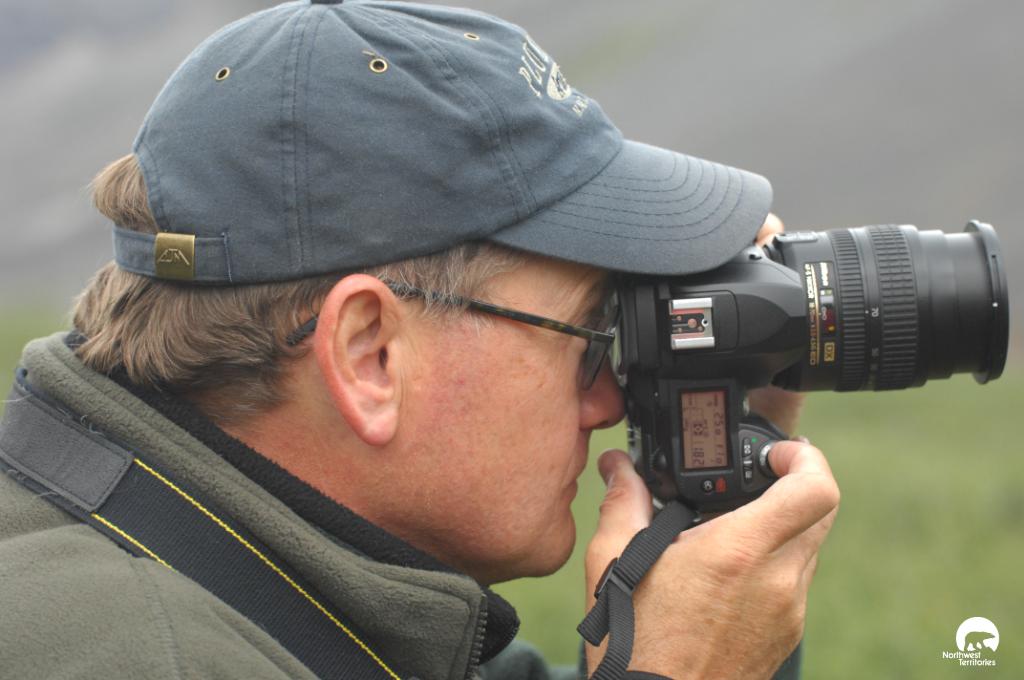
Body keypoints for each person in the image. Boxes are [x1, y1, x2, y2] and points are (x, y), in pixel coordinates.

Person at [0, 2, 839, 679]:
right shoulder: (130, 654)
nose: (609, 399)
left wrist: (720, 483)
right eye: (592, 334)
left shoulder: (283, 587)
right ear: (370, 355)